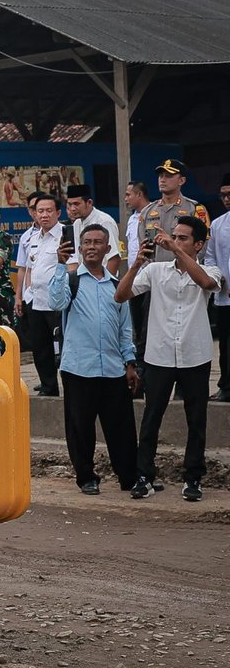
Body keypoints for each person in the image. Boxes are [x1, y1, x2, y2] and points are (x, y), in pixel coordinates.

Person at [116, 215, 222, 501]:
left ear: (198, 244)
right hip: (159, 355)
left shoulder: (210, 269)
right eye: (174, 237)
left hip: (195, 356)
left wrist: (175, 251)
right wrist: (137, 263)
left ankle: (193, 477)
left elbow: (205, 283)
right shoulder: (156, 270)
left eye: (183, 238)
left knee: (196, 420)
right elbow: (120, 295)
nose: (175, 242)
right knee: (152, 418)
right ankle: (144, 476)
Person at [49, 225, 139, 496]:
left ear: (107, 248)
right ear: (79, 247)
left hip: (112, 368)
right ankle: (86, 477)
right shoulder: (72, 279)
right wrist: (59, 266)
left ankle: (129, 477)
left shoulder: (116, 285)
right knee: (80, 428)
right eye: (86, 242)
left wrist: (130, 363)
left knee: (121, 428)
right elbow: (56, 303)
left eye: (97, 242)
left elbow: (125, 328)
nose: (91, 247)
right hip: (78, 368)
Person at [15, 192, 66, 397]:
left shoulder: (66, 235)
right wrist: (23, 295)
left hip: (56, 301)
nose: (44, 215)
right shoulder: (31, 238)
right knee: (40, 347)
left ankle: (69, 384)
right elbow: (27, 268)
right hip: (35, 301)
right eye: (40, 211)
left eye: (49, 211)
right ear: (34, 214)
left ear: (58, 212)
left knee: (63, 346)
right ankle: (48, 386)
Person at [122, 179, 150, 386]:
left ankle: (146, 369)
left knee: (148, 328)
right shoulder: (132, 219)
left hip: (149, 277)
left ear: (139, 195)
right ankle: (139, 368)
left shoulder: (153, 213)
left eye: (128, 194)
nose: (125, 199)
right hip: (134, 279)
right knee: (137, 326)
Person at [206, 173, 230, 402]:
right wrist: (219, 278)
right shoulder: (217, 224)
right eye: (223, 195)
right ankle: (226, 387)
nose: (226, 199)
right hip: (225, 297)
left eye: (229, 194)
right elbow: (210, 258)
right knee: (226, 345)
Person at [65, 184, 120, 276]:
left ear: (89, 202)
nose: (72, 209)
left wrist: (106, 284)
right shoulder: (77, 223)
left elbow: (114, 258)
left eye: (76, 204)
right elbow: (74, 258)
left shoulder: (104, 221)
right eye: (70, 205)